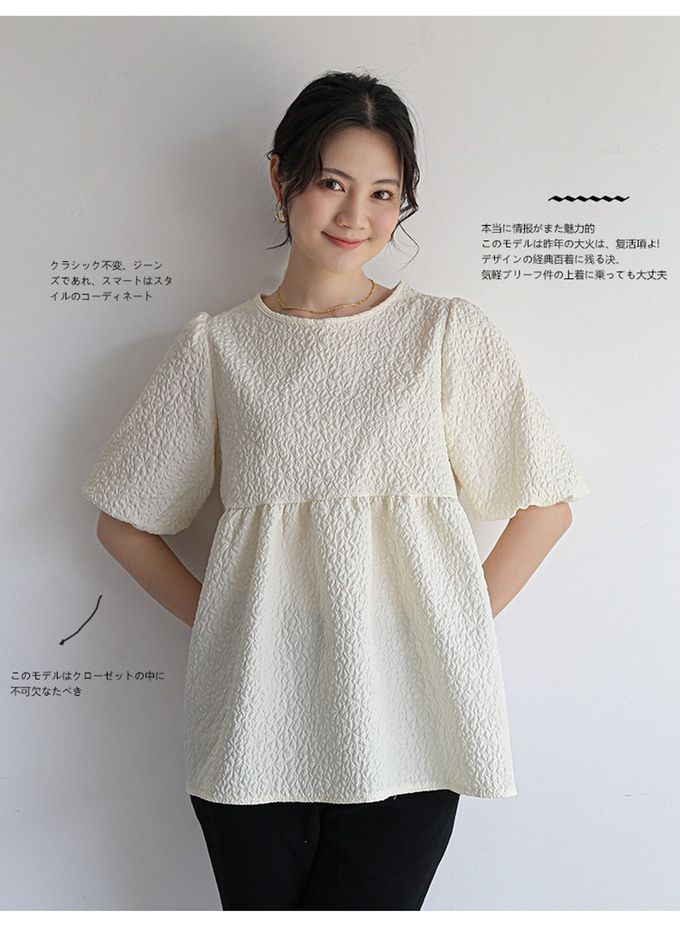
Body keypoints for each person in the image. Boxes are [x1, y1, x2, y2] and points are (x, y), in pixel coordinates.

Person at [80, 69, 589, 911]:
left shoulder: (442, 333)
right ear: (280, 177)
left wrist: (445, 622)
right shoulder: (219, 347)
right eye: (332, 183)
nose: (358, 215)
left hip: (411, 718)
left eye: (384, 193)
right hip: (253, 717)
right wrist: (231, 622)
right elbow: (123, 524)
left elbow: (546, 505)